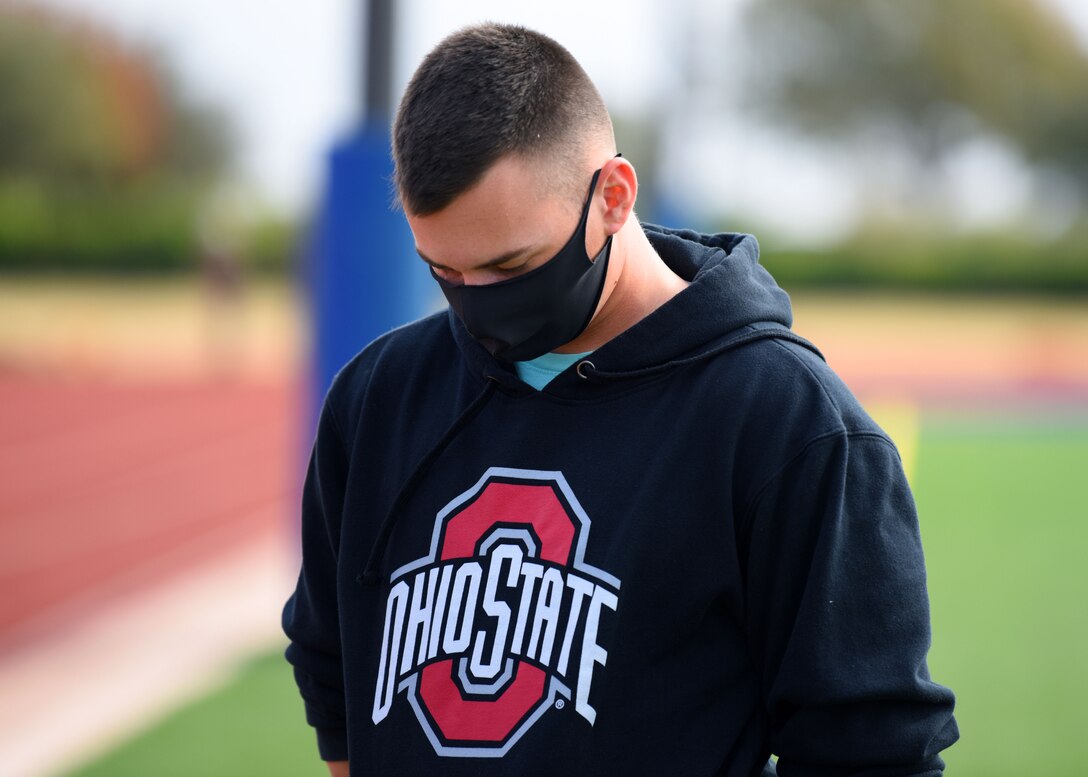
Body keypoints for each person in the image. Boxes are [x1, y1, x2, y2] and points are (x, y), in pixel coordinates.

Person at [282, 23, 958, 777]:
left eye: (513, 265)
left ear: (613, 194)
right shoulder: (377, 398)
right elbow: (331, 669)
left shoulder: (788, 423)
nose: (479, 305)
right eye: (446, 271)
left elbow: (872, 751)